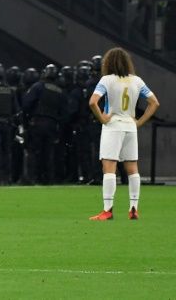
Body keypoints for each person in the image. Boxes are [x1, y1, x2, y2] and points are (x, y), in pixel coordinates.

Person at [88, 48, 160, 221]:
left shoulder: (107, 80)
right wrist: (139, 122)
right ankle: (134, 208)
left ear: (108, 63)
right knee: (132, 169)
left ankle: (108, 210)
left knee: (109, 167)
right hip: (130, 126)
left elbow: (92, 102)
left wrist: (103, 119)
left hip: (113, 127)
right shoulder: (137, 81)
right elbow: (154, 103)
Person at [22, 65, 71, 184]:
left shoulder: (38, 86)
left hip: (37, 123)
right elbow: (65, 113)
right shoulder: (61, 91)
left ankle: (32, 178)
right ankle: (48, 179)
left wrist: (26, 121)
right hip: (53, 125)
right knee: (49, 153)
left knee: (34, 152)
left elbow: (26, 104)